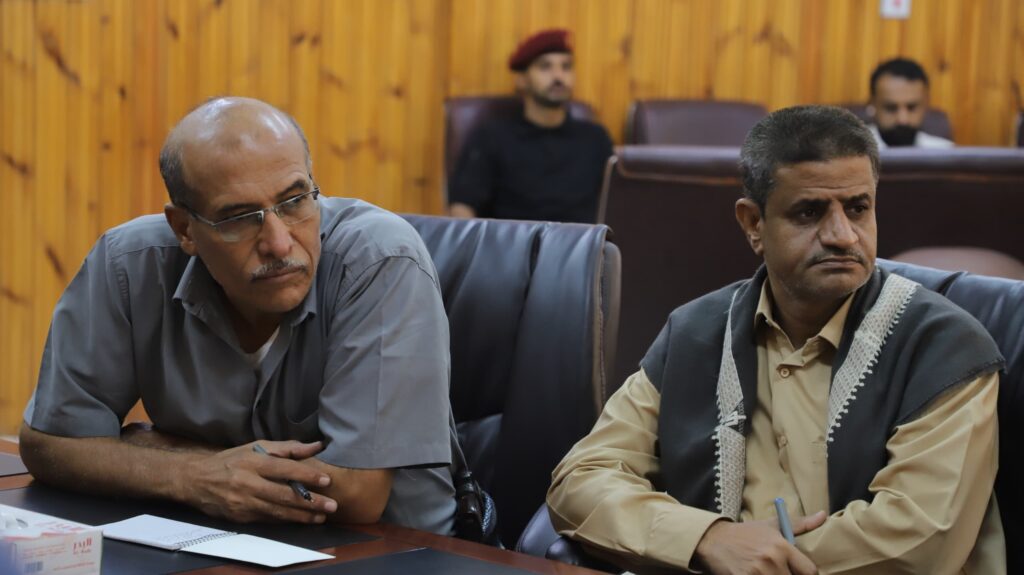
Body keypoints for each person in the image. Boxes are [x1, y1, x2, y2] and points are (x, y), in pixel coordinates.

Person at [547, 106, 1004, 574]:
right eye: (809, 212)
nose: (843, 236)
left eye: (857, 208)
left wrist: (750, 560)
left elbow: (920, 541)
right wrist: (707, 539)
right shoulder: (697, 333)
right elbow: (580, 481)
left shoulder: (945, 348)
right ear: (753, 224)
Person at [20, 97, 457, 534]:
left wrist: (170, 453)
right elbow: (50, 443)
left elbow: (357, 493)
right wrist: (193, 476)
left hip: (393, 549)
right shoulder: (129, 264)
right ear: (185, 229)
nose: (279, 243)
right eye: (240, 218)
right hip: (213, 542)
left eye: (294, 201)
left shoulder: (379, 259)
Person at [448, 29, 613, 223]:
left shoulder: (595, 139)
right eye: (545, 67)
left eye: (566, 67)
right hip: (513, 241)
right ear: (522, 80)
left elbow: (619, 203)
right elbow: (462, 207)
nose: (558, 76)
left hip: (583, 241)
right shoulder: (492, 138)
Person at [867, 57, 954, 148]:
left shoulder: (945, 151)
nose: (902, 120)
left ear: (926, 105)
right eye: (891, 108)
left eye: (911, 108)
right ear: (872, 104)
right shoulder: (857, 153)